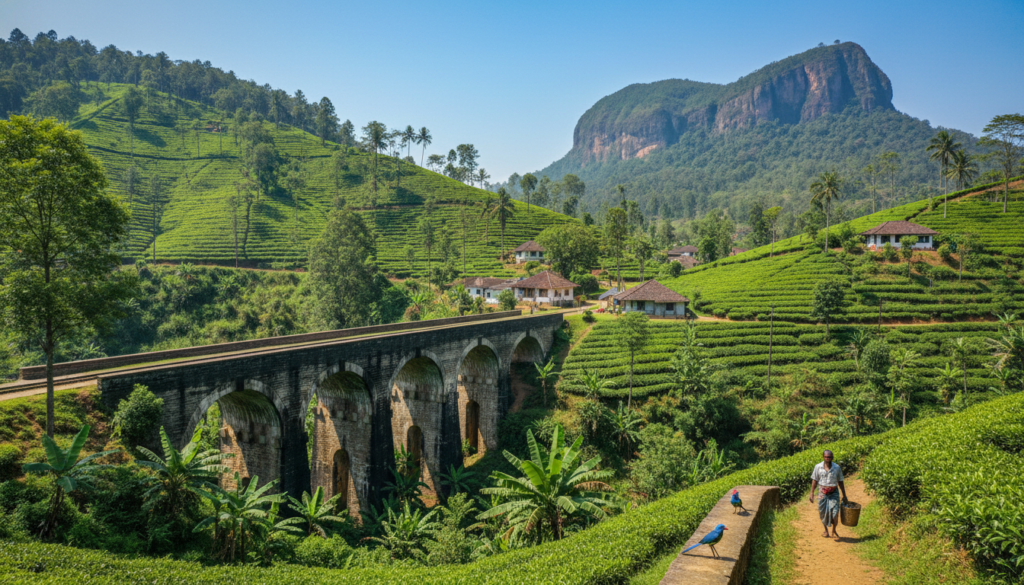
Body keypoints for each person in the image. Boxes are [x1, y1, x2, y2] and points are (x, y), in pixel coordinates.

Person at [809, 449, 847, 538]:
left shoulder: (837, 468)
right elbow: (815, 480)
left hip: (834, 493)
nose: (827, 458)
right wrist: (812, 493)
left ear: (832, 457)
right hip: (822, 492)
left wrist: (844, 495)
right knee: (823, 512)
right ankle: (826, 530)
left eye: (829, 457)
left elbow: (840, 481)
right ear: (823, 457)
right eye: (826, 457)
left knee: (835, 512)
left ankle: (834, 528)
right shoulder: (818, 467)